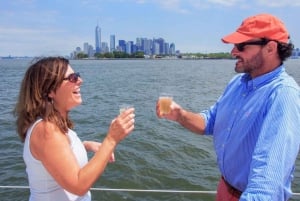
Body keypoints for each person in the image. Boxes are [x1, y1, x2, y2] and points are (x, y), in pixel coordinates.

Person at [156, 13, 300, 201]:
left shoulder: (283, 95)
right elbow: (210, 121)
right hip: (225, 189)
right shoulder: (237, 83)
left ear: (270, 48)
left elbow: (266, 187)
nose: (233, 51)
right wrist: (180, 115)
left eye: (241, 46)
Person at [14, 57, 135, 201]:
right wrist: (111, 139)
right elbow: (78, 185)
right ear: (50, 90)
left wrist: (86, 145)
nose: (80, 80)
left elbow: (58, 153)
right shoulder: (47, 130)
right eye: (72, 78)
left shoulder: (53, 125)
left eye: (77, 75)